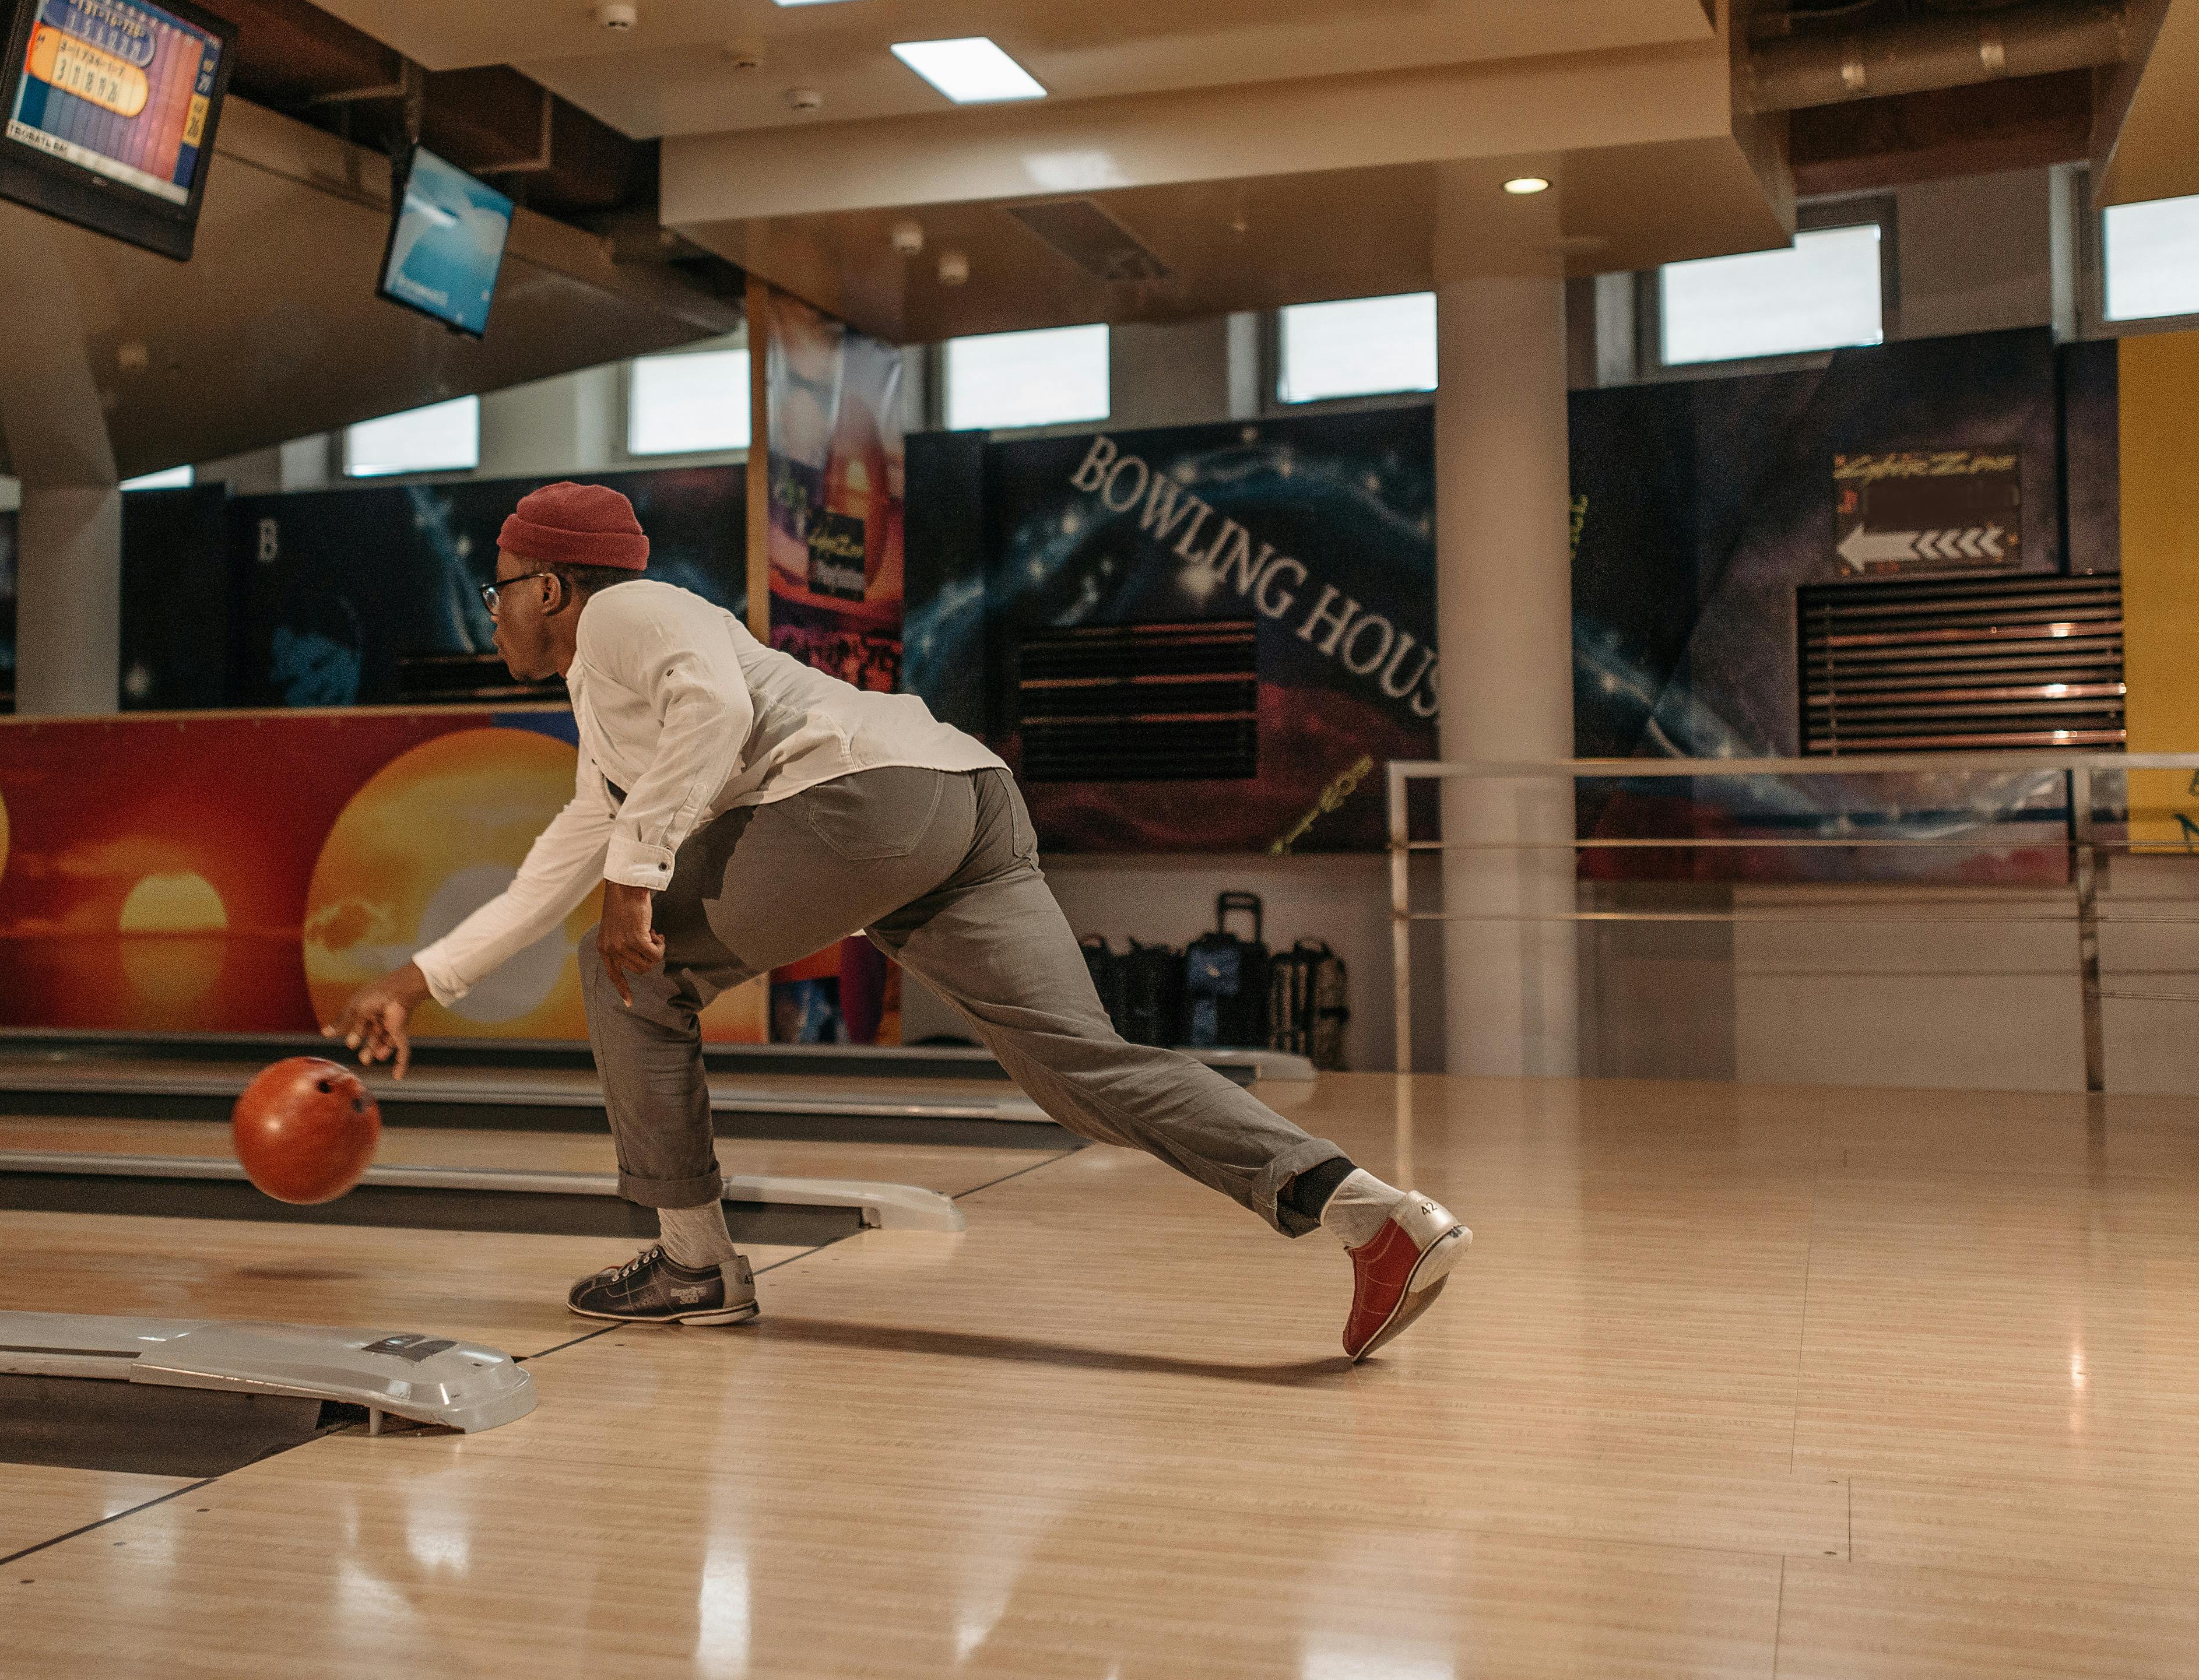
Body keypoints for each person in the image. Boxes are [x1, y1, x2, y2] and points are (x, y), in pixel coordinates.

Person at [327, 481, 1470, 1359]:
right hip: (960, 797)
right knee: (1085, 1069)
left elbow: (711, 717)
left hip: (862, 803)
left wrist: (639, 873)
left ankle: (696, 1264)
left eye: (500, 584)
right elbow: (558, 859)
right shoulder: (610, 702)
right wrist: (418, 980)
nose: (492, 610)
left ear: (551, 588)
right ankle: (1375, 1217)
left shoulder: (628, 610)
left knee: (632, 969)